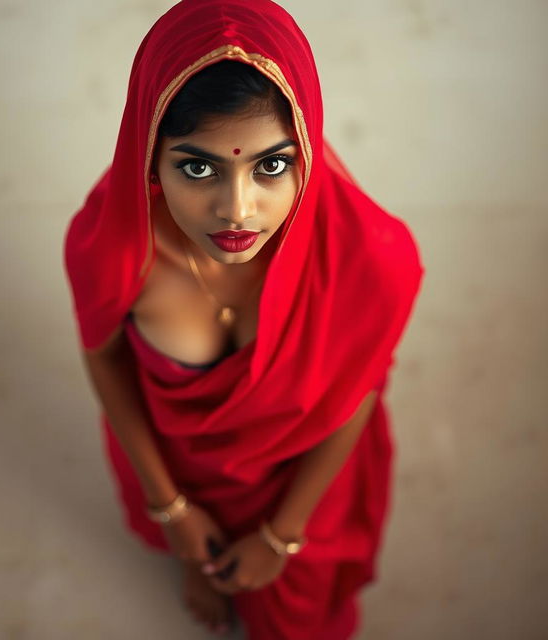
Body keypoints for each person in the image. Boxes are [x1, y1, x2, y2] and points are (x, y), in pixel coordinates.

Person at [63, 1, 424, 638]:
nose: (237, 210)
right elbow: (105, 356)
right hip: (180, 471)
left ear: (306, 147)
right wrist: (170, 508)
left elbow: (357, 394)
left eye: (272, 165)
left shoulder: (370, 258)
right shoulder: (114, 246)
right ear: (150, 154)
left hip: (303, 485)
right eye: (198, 167)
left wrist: (282, 536)